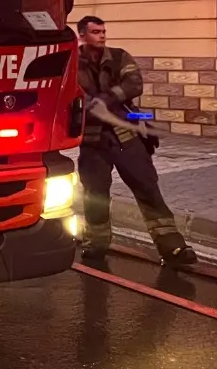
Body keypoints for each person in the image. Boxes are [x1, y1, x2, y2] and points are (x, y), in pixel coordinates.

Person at [76, 15, 197, 267]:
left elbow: (134, 83)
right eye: (96, 32)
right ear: (82, 35)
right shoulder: (71, 63)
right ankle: (95, 245)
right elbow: (66, 91)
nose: (102, 35)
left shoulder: (119, 56)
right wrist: (85, 104)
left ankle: (172, 248)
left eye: (103, 31)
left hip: (126, 136)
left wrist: (107, 98)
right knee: (95, 195)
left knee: (147, 188)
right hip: (93, 140)